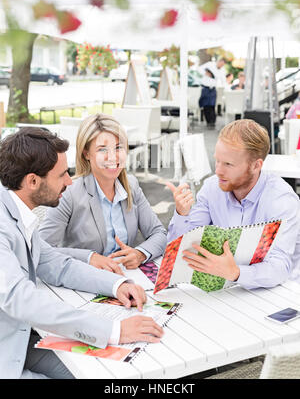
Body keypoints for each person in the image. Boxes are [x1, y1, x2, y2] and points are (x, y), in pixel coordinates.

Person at [0, 127, 163, 379]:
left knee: (104, 373)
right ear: (32, 181)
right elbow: (22, 299)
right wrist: (114, 330)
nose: (68, 181)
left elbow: (57, 264)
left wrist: (117, 284)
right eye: (63, 174)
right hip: (6, 355)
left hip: (22, 339)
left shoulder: (16, 212)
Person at [166, 119, 300, 290]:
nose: (218, 171)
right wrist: (181, 214)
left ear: (256, 166)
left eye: (228, 164)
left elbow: (280, 268)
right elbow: (181, 250)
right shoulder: (211, 188)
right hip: (227, 286)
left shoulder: (281, 201)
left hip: (278, 291)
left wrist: (236, 273)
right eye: (217, 161)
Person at [39, 114, 167, 273]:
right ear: (86, 153)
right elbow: (41, 249)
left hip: (125, 277)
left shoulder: (131, 186)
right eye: (102, 149)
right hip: (83, 280)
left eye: (118, 147)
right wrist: (89, 257)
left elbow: (159, 233)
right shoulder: (69, 193)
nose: (112, 157)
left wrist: (140, 253)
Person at [198, 57, 226, 129]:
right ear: (219, 61)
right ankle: (208, 122)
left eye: (223, 65)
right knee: (205, 105)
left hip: (213, 89)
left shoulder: (222, 70)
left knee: (212, 106)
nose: (221, 66)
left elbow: (223, 80)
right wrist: (205, 73)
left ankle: (212, 122)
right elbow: (199, 69)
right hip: (205, 88)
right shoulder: (210, 64)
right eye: (221, 64)